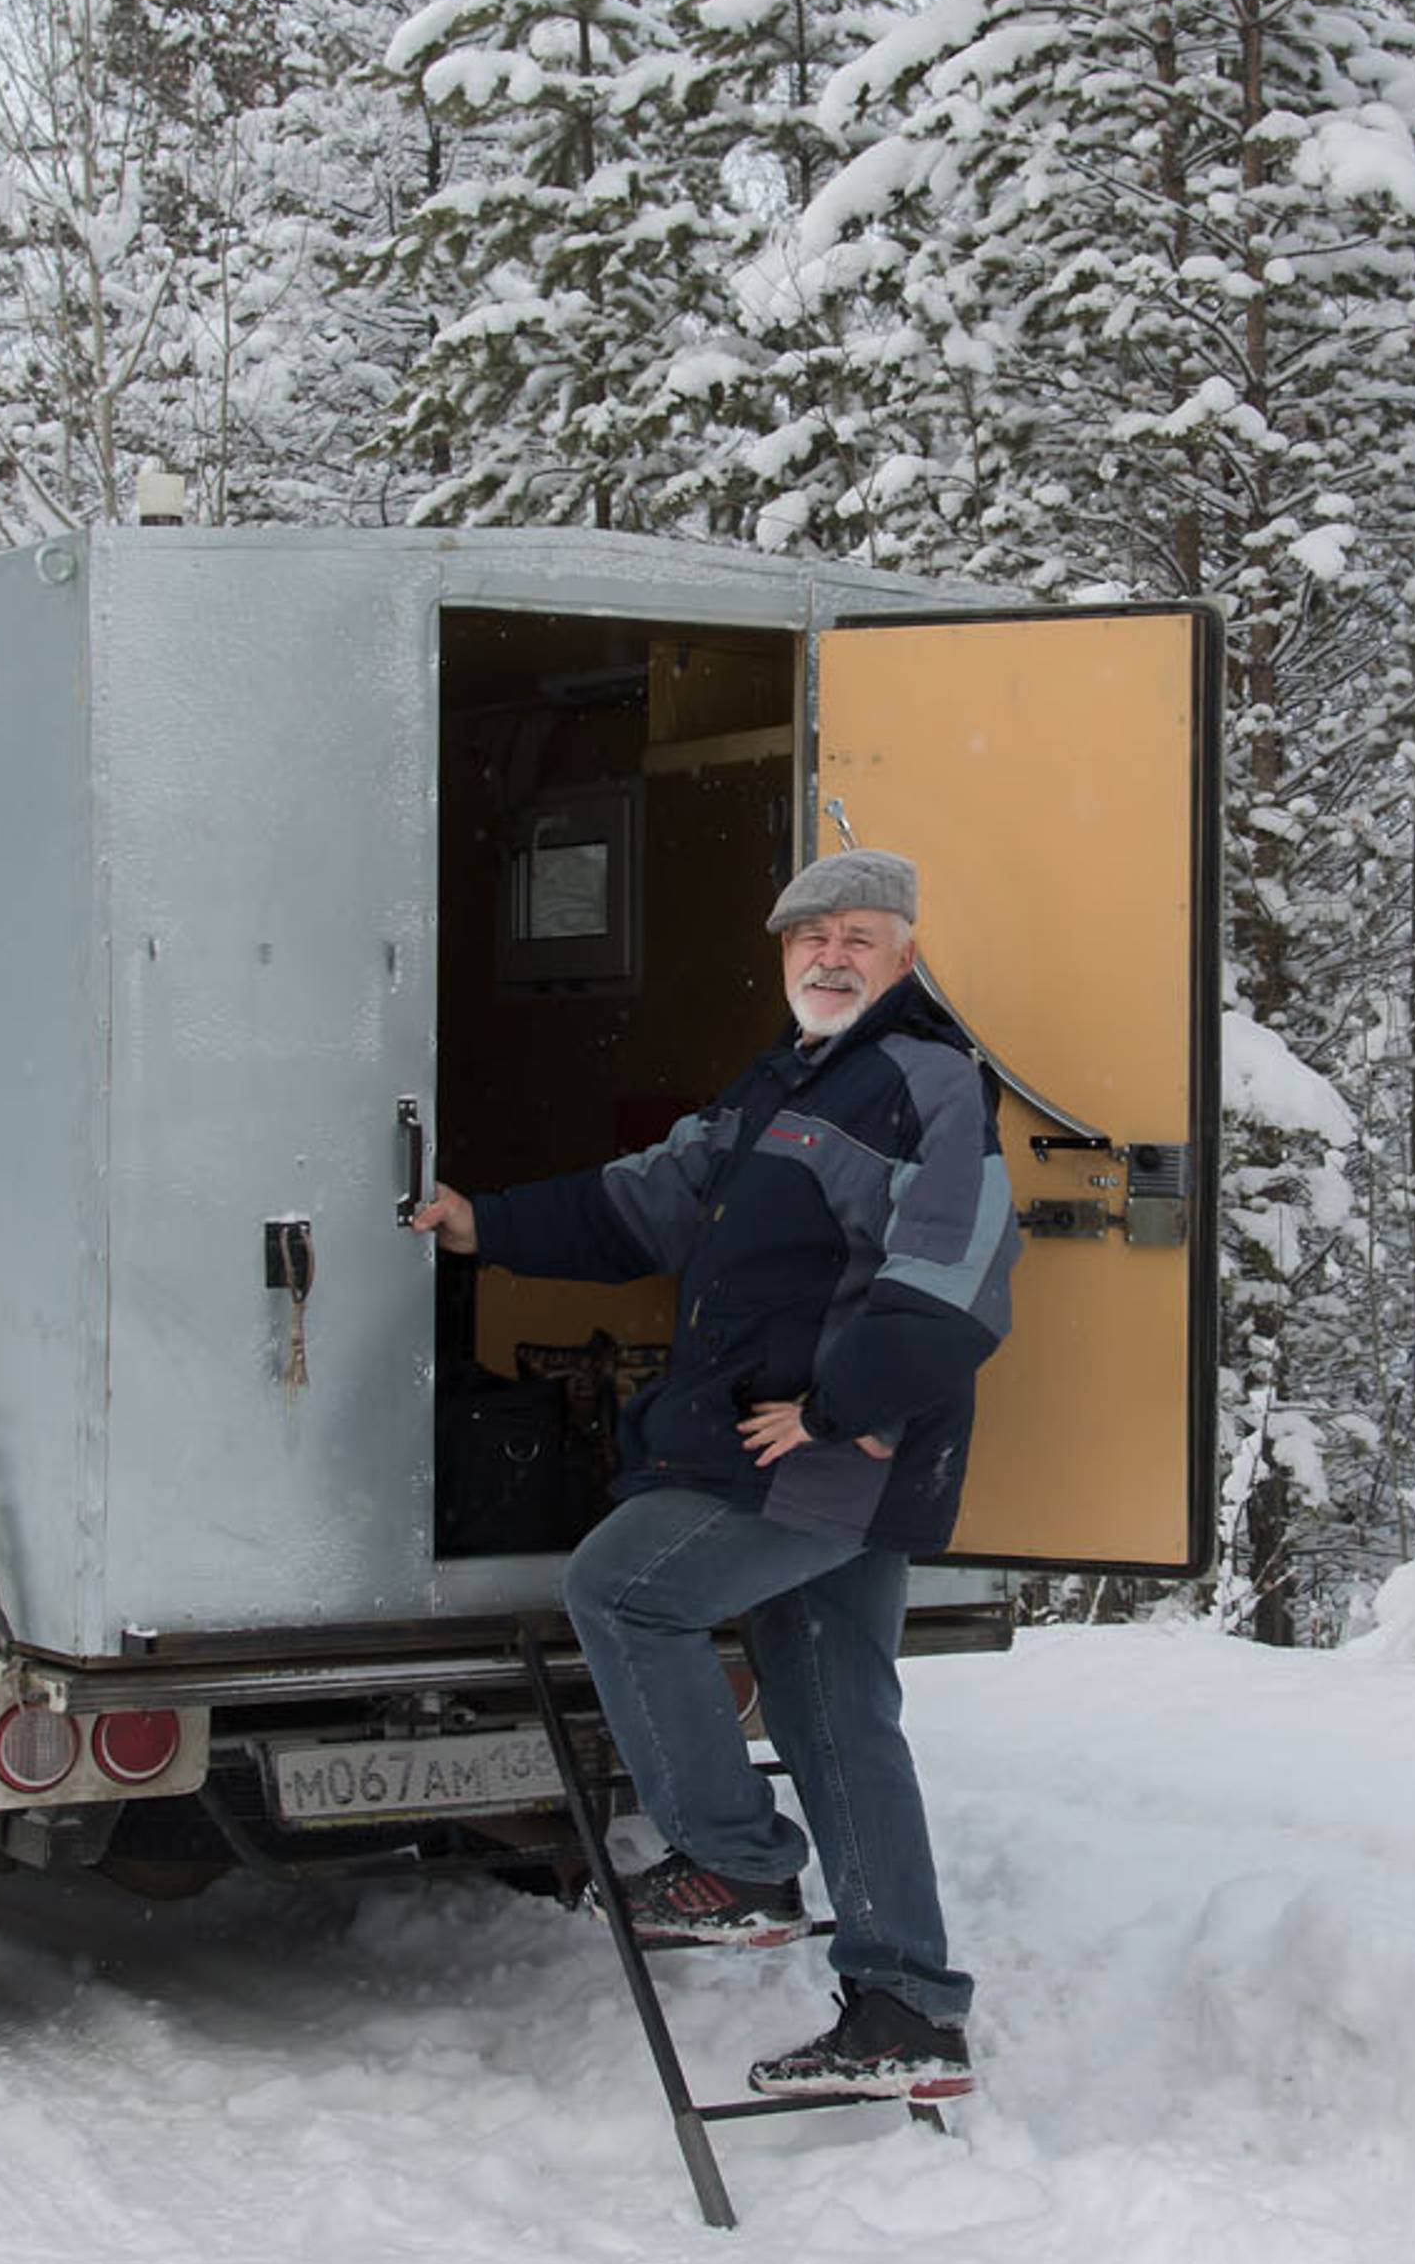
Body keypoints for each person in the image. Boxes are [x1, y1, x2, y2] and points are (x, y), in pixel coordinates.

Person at [404, 847, 1010, 2100]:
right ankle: (904, 2006)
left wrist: (840, 1409)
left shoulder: (925, 1080)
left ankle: (735, 1864)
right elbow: (655, 1200)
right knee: (836, 1716)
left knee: (625, 1589)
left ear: (904, 953)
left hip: (822, 1454)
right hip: (799, 1448)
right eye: (808, 938)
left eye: (856, 936)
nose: (829, 957)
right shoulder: (790, 1078)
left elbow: (956, 1274)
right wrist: (486, 1225)